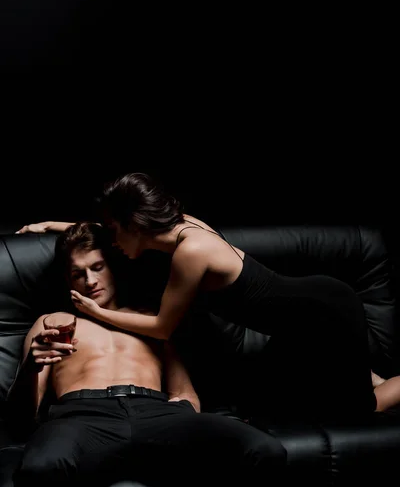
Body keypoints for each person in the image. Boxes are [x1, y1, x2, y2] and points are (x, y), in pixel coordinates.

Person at [15, 173, 400, 417]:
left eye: (115, 232)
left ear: (135, 226)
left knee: (361, 411)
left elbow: (163, 328)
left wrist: (93, 312)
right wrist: (55, 226)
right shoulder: (177, 228)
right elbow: (103, 231)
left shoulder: (191, 252)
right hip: (299, 321)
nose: (113, 243)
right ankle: (363, 373)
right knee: (280, 403)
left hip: (323, 313)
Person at [8, 221, 287, 487]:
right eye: (78, 273)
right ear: (68, 281)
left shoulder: (151, 320)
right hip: (81, 417)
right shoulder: (52, 322)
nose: (89, 280)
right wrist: (30, 367)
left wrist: (183, 418)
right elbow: (25, 416)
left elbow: (184, 393)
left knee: (265, 450)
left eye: (97, 267)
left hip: (156, 413)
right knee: (40, 469)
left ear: (112, 266)